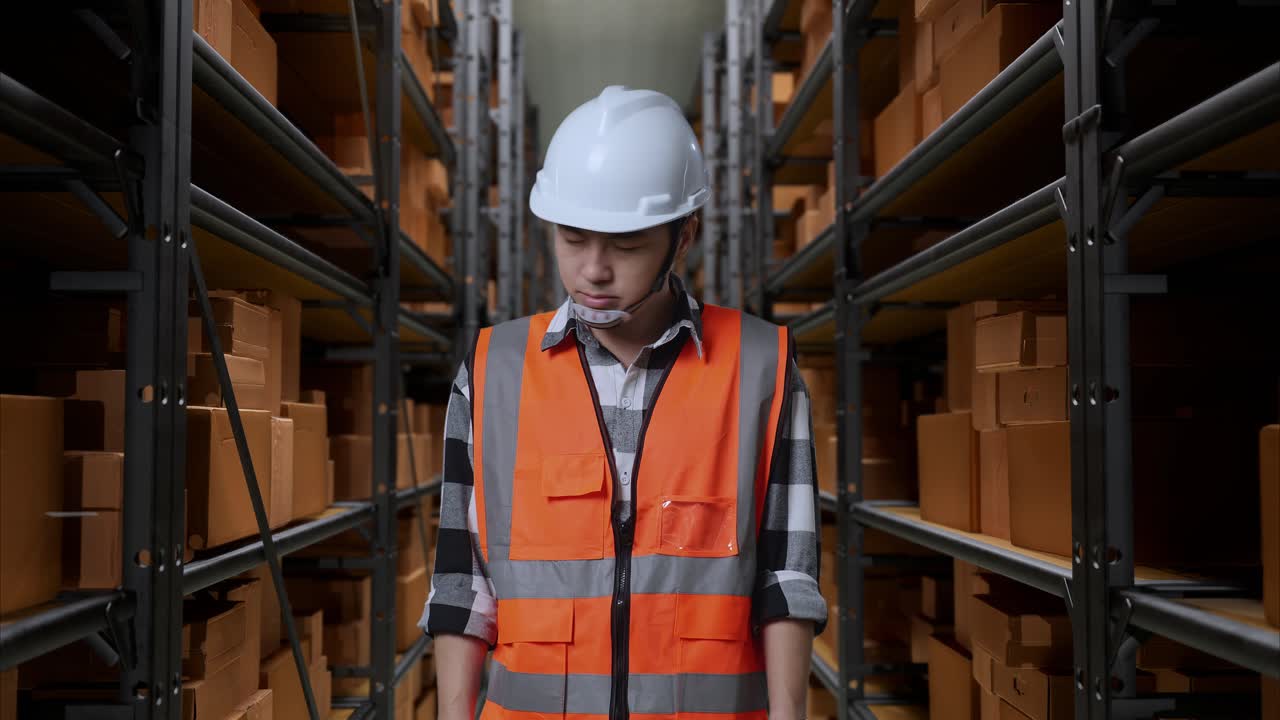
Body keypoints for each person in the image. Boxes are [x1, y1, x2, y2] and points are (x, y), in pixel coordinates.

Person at [420, 86, 826, 720]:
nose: (594, 270)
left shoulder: (761, 369)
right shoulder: (491, 371)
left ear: (683, 236)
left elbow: (788, 578)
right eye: (573, 239)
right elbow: (460, 581)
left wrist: (790, 712)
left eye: (627, 245)